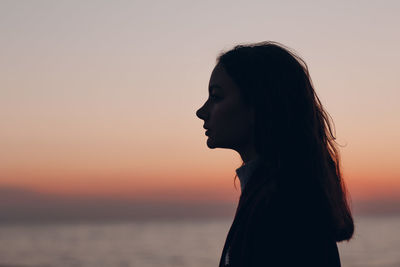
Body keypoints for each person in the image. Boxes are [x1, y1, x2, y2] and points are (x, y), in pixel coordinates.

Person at [196, 41, 354, 267]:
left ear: (258, 106)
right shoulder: (274, 193)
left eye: (217, 96)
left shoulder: (282, 207)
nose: (201, 112)